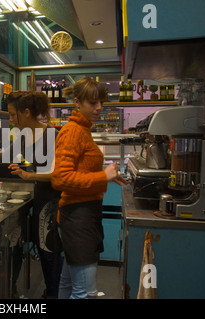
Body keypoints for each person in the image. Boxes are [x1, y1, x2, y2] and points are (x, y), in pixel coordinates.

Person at [50, 77, 129, 299]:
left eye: (101, 103)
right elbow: (60, 179)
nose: (99, 108)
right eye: (93, 103)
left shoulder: (82, 129)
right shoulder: (73, 131)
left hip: (82, 214)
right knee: (85, 292)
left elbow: (80, 171)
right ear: (77, 102)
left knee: (68, 283)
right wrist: (102, 176)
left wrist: (107, 178)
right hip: (78, 216)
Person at [6, 90, 63, 299]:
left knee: (49, 251)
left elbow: (57, 174)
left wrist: (29, 176)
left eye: (13, 115)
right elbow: (8, 154)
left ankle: (54, 294)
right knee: (43, 248)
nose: (11, 119)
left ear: (27, 112)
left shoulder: (52, 136)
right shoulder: (25, 136)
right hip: (40, 198)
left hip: (52, 201)